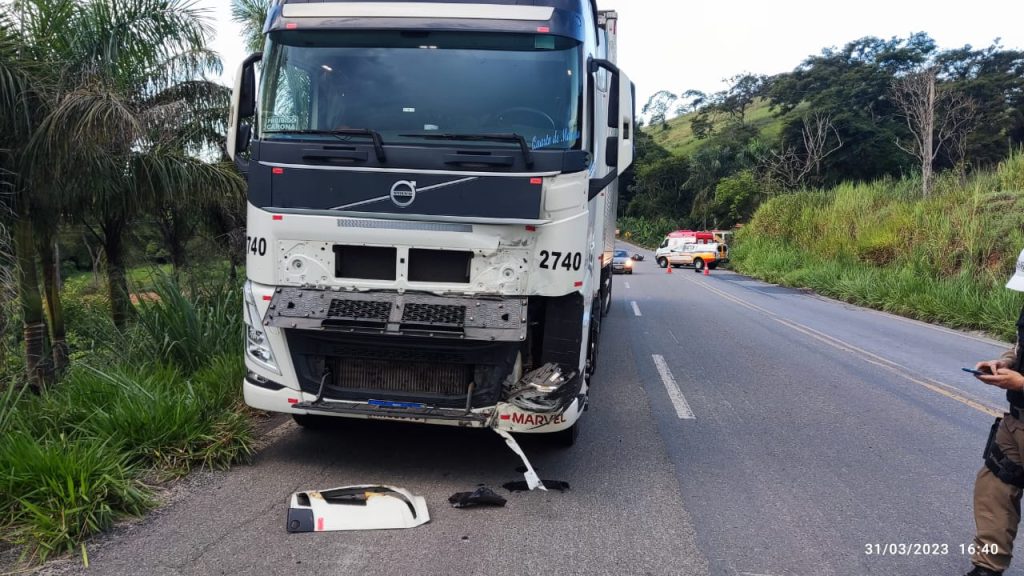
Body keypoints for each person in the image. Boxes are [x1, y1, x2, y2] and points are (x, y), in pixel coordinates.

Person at [965, 248, 1024, 576]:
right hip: (1017, 421)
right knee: (994, 489)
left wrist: (1020, 382)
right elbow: (1020, 349)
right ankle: (987, 567)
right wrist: (1005, 364)